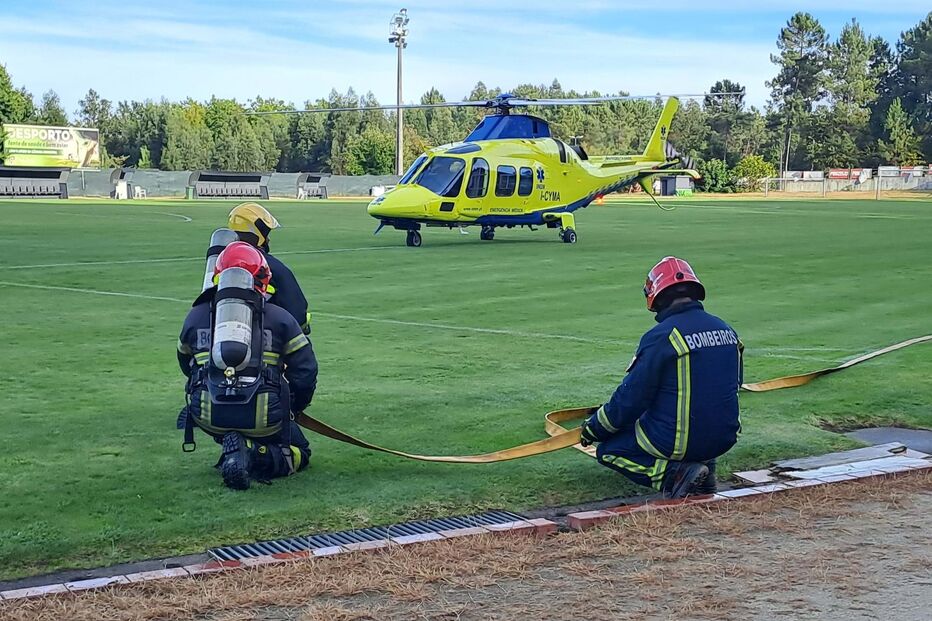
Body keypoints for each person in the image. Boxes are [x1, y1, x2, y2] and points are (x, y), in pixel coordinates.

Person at [580, 256, 742, 498]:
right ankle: (705, 471)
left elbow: (631, 398)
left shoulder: (662, 336)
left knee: (610, 450)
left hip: (679, 441)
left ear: (655, 295)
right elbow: (733, 385)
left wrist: (593, 429)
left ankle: (675, 475)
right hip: (725, 437)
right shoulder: (727, 330)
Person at [177, 242, 319, 490]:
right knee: (299, 451)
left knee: (234, 424)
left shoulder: (195, 315)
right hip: (264, 415)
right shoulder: (280, 317)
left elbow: (185, 362)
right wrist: (293, 407)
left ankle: (232, 445)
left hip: (209, 414)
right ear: (263, 279)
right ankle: (252, 451)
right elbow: (306, 371)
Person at [227, 202, 311, 334]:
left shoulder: (221, 262)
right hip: (266, 340)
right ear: (257, 234)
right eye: (266, 234)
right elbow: (298, 312)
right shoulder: (273, 268)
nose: (268, 240)